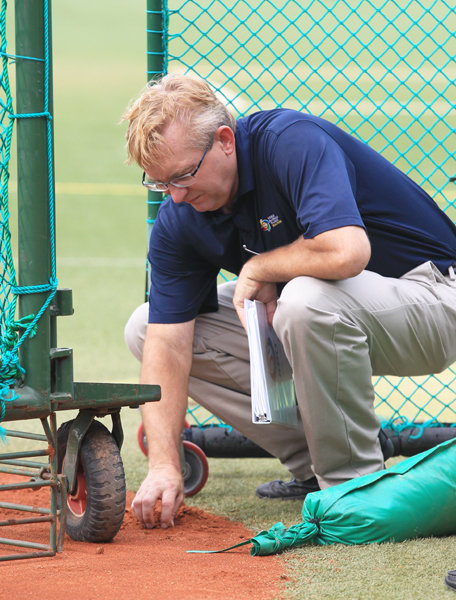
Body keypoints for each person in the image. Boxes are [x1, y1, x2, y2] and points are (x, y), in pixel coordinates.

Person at [122, 73, 456, 529]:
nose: (176, 196)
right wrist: (163, 464)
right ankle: (313, 464)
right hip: (336, 317)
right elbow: (167, 341)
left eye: (183, 175)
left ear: (224, 141)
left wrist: (262, 268)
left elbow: (347, 250)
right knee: (144, 327)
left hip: (434, 296)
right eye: (160, 184)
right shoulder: (181, 217)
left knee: (303, 298)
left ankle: (354, 489)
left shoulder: (288, 142)